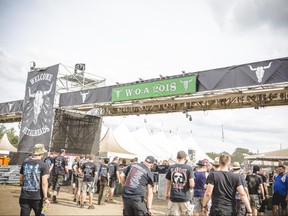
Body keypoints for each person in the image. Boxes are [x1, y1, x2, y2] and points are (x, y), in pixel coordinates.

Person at [19, 144, 50, 216]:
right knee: (42, 214)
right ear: (42, 153)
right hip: (37, 198)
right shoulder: (44, 165)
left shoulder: (25, 163)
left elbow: (21, 179)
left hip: (24, 197)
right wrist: (45, 198)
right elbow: (44, 183)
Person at [166, 150, 195, 216]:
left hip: (174, 197)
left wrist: (167, 193)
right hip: (185, 197)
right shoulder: (189, 168)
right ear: (185, 158)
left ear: (177, 157)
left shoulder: (171, 167)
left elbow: (168, 182)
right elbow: (192, 184)